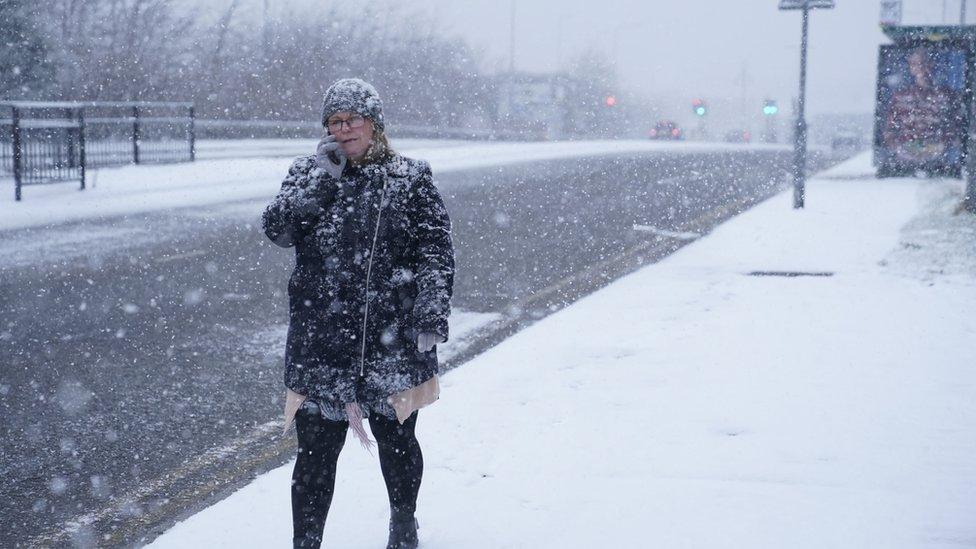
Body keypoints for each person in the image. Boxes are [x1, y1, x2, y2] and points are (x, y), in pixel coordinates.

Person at [262, 78, 455, 549]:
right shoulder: (309, 172)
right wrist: (320, 184)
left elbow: (436, 251)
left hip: (391, 337)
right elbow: (278, 230)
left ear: (375, 124)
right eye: (335, 121)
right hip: (321, 340)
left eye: (353, 119)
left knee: (398, 444)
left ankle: (403, 525)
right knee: (314, 457)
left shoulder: (410, 178)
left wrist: (430, 313)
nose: (344, 128)